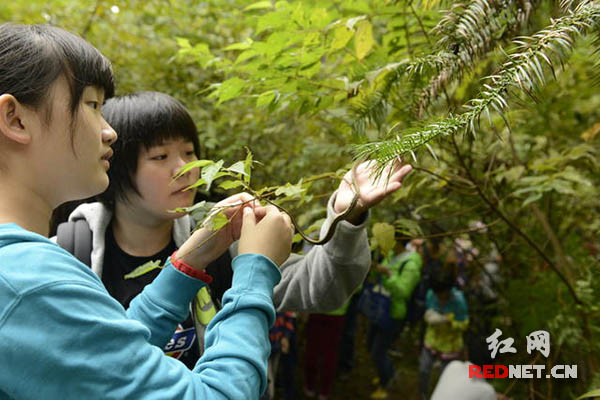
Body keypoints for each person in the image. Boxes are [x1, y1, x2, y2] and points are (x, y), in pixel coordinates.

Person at [0, 23, 295, 399]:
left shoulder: (18, 273)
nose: (109, 132)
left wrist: (187, 264)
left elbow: (106, 359)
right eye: (91, 105)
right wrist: (255, 273)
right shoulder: (31, 283)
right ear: (15, 119)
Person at [57, 90, 414, 367]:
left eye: (190, 152)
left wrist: (345, 214)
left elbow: (322, 289)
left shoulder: (221, 238)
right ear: (115, 167)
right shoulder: (70, 255)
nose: (186, 169)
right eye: (161, 157)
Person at [368, 239, 423, 399]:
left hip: (393, 313)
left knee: (379, 351)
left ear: (398, 241)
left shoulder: (411, 264)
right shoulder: (391, 254)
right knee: (372, 346)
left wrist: (388, 275)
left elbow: (403, 292)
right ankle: (387, 373)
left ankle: (385, 384)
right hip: (379, 308)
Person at [418, 255, 469, 400]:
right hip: (432, 339)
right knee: (423, 370)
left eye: (443, 293)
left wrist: (449, 321)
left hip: (450, 345)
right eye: (437, 294)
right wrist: (430, 317)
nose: (440, 297)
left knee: (444, 377)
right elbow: (429, 310)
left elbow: (464, 323)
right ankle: (423, 395)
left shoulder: (458, 301)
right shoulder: (431, 294)